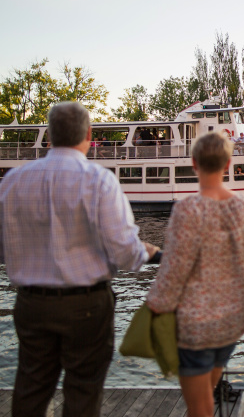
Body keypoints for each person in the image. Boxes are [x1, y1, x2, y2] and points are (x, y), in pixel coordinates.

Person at [0, 101, 159, 417]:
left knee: (31, 388)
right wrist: (146, 252)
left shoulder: (13, 181)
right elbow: (125, 252)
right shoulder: (99, 180)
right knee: (83, 392)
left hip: (31, 302)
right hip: (86, 306)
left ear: (49, 135)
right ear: (88, 134)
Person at [147, 132, 244, 417]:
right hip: (231, 321)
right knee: (204, 400)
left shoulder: (187, 209)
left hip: (196, 325)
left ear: (193, 163)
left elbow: (174, 270)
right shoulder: (242, 206)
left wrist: (155, 307)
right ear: (228, 164)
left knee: (199, 407)